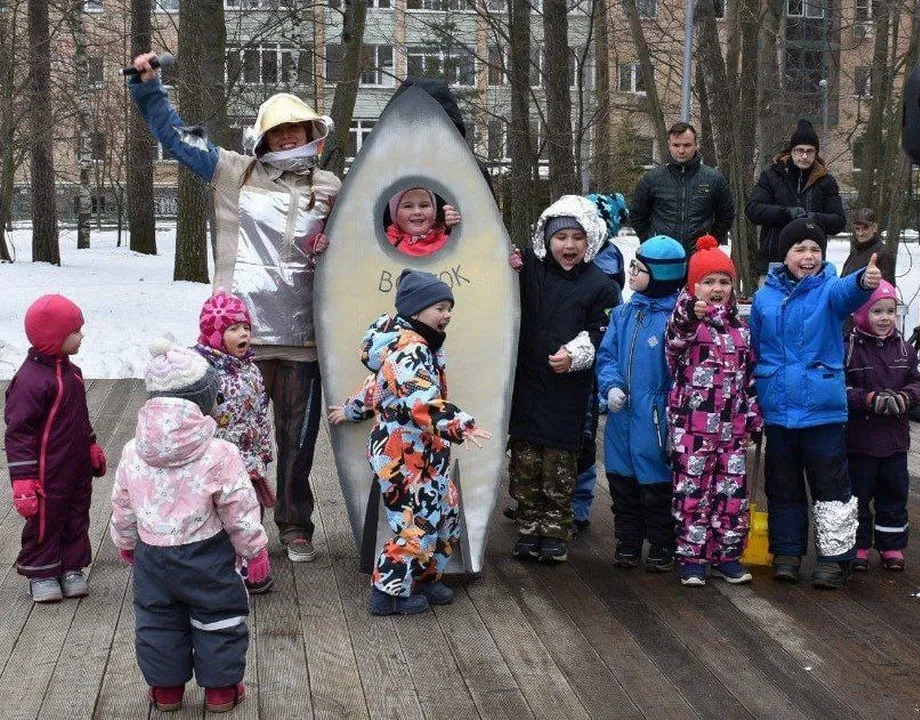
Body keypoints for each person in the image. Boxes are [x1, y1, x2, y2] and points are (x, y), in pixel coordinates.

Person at [129, 51, 341, 563]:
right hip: (234, 345)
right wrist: (150, 89)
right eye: (279, 131)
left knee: (297, 443)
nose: (288, 138)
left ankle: (295, 524)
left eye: (297, 129)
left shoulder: (332, 187)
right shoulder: (233, 172)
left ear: (314, 131)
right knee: (228, 440)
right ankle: (231, 523)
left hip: (303, 341)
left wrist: (446, 216)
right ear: (263, 138)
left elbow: (384, 227)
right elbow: (175, 140)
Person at [110, 339, 270, 713]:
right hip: (206, 555)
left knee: (158, 621)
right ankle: (221, 690)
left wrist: (126, 541)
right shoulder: (220, 452)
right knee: (219, 617)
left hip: (152, 556)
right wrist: (254, 550)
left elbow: (123, 502)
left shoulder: (134, 450)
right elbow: (240, 507)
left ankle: (166, 692)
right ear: (201, 401)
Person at [328, 270, 491, 615]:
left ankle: (424, 578)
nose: (447, 314)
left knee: (444, 514)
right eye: (441, 307)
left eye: (450, 308)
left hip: (427, 450)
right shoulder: (409, 351)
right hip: (402, 453)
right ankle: (388, 592)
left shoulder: (417, 343)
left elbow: (378, 388)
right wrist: (461, 424)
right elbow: (420, 401)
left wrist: (352, 409)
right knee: (416, 520)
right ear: (417, 310)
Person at [749, 218, 881, 589]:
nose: (808, 256)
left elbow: (848, 294)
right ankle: (787, 552)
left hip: (821, 409)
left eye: (815, 250)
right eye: (800, 249)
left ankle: (835, 558)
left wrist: (863, 282)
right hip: (778, 408)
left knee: (831, 485)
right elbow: (757, 347)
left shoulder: (829, 290)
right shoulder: (765, 297)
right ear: (785, 255)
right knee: (783, 485)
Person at [506, 195, 622, 564]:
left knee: (559, 465)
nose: (568, 245)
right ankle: (528, 526)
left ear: (590, 240)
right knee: (525, 462)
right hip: (526, 385)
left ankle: (555, 530)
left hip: (568, 392)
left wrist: (576, 354)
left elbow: (603, 331)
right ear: (547, 238)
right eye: (561, 237)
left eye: (577, 237)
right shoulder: (530, 270)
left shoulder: (601, 285)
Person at [665, 236, 763, 586]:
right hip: (692, 429)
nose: (717, 289)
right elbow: (675, 337)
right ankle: (692, 556)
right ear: (694, 287)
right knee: (693, 491)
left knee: (731, 493)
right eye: (708, 282)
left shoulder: (741, 329)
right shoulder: (690, 324)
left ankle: (727, 554)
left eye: (724, 281)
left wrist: (753, 416)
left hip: (731, 429)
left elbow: (750, 376)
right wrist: (689, 313)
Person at [5, 294, 106, 604]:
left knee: (77, 514)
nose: (81, 335)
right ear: (53, 337)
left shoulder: (72, 374)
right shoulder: (31, 381)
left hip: (75, 467)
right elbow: (18, 433)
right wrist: (22, 479)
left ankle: (71, 567)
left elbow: (79, 415)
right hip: (45, 472)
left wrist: (90, 444)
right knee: (47, 519)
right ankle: (42, 571)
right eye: (74, 331)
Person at [596, 235, 687, 571]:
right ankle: (628, 541)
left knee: (657, 487)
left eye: (639, 268)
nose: (631, 273)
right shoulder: (623, 314)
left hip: (656, 418)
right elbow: (606, 356)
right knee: (622, 485)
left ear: (661, 275)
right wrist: (611, 386)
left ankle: (663, 544)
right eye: (632, 266)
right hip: (622, 416)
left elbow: (683, 369)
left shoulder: (678, 321)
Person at [193, 290, 275, 594]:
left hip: (250, 458)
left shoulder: (251, 369)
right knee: (221, 516)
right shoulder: (203, 373)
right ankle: (222, 569)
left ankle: (251, 564)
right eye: (232, 328)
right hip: (217, 462)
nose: (243, 334)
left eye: (246, 328)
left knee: (251, 514)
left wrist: (264, 450)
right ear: (214, 333)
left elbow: (260, 413)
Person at [845, 281, 920, 572]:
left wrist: (906, 398)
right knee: (858, 495)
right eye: (877, 311)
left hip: (894, 441)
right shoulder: (849, 349)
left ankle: (891, 545)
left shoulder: (905, 350)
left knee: (893, 493)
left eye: (890, 311)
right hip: (860, 442)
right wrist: (865, 399)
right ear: (861, 314)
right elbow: (837, 389)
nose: (884, 318)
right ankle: (859, 545)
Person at [572, 192, 627, 533]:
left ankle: (579, 502)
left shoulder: (606, 261)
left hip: (593, 357)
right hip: (563, 355)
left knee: (585, 436)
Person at [747, 119, 845, 282]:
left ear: (816, 153)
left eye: (810, 151)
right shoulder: (772, 175)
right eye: (800, 150)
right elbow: (753, 210)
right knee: (772, 307)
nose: (804, 156)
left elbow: (839, 221)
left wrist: (815, 218)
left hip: (811, 264)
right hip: (774, 260)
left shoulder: (826, 181)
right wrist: (785, 213)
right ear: (791, 151)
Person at [629, 122, 735, 255]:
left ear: (696, 145)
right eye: (676, 145)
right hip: (662, 257)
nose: (681, 150)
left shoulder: (713, 179)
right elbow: (637, 215)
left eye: (687, 145)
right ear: (669, 145)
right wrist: (650, 241)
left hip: (700, 256)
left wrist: (710, 243)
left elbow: (726, 215)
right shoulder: (652, 179)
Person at [386, 186, 461, 257]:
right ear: (395, 213)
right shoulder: (386, 243)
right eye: (408, 206)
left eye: (424, 205)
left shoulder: (448, 242)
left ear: (434, 211)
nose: (417, 212)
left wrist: (455, 225)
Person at [841, 207, 896, 283]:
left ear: (874, 227)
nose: (860, 233)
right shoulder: (856, 251)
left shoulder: (883, 254)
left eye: (865, 228)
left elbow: (887, 289)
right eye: (857, 229)